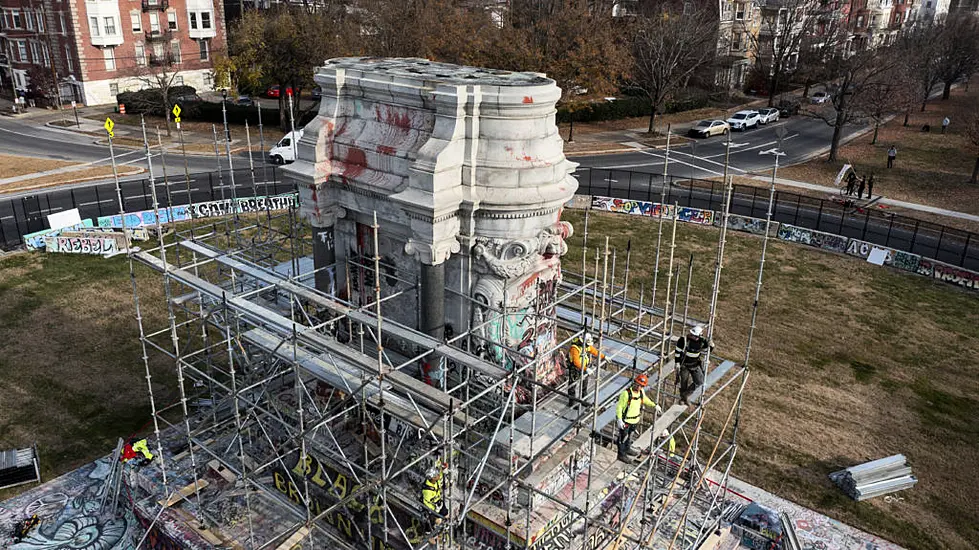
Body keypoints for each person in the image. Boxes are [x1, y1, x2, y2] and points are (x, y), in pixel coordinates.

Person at [615, 374, 662, 463]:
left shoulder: (641, 393)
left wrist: (654, 405)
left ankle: (627, 448)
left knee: (630, 436)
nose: (639, 387)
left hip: (635, 420)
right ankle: (621, 454)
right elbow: (619, 407)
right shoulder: (626, 393)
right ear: (635, 382)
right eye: (638, 384)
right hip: (626, 421)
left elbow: (645, 400)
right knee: (623, 438)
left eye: (641, 386)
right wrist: (619, 419)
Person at [674, 324, 714, 405]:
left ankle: (686, 395)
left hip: (695, 365)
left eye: (696, 336)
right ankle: (683, 399)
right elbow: (677, 352)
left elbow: (708, 350)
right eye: (693, 335)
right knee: (683, 382)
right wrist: (677, 363)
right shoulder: (683, 340)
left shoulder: (702, 341)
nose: (694, 337)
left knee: (700, 381)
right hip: (684, 365)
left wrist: (712, 346)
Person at [567, 332, 604, 405]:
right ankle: (572, 402)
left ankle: (584, 400)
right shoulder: (575, 348)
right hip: (575, 369)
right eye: (587, 344)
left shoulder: (586, 345)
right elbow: (576, 362)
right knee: (573, 385)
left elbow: (594, 351)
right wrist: (586, 369)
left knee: (584, 384)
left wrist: (604, 357)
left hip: (584, 367)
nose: (588, 346)